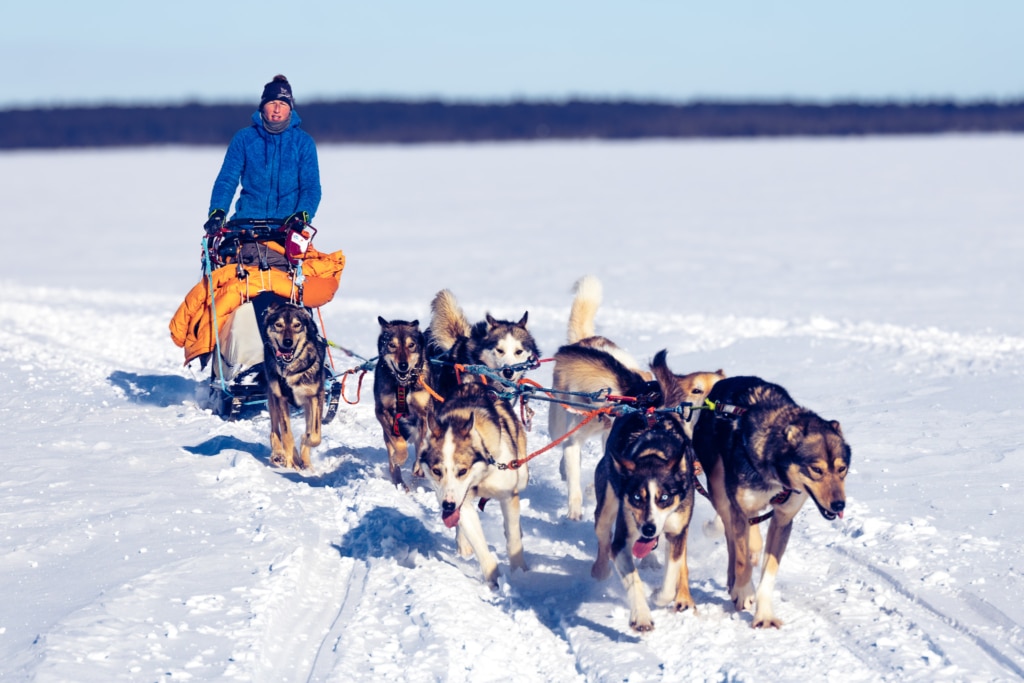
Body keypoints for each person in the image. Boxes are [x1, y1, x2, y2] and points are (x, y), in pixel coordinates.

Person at [204, 74, 322, 236]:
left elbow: (311, 187)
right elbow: (227, 180)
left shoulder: (303, 142)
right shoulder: (244, 138)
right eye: (272, 103)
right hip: (245, 227)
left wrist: (302, 215)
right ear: (262, 106)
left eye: (282, 104)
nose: (277, 109)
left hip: (286, 229)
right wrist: (218, 212)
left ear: (290, 108)